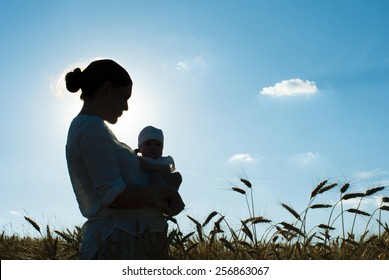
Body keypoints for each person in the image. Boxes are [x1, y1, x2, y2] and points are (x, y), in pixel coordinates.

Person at [65, 59, 185, 260]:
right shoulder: (90, 129)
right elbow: (114, 196)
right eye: (124, 97)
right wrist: (163, 192)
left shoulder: (96, 129)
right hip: (119, 244)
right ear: (106, 88)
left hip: (132, 240)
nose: (127, 107)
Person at [135, 126, 182, 191]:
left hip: (160, 188)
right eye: (148, 144)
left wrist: (149, 166)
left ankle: (166, 196)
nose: (153, 147)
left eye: (158, 145)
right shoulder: (138, 159)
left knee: (171, 177)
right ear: (140, 149)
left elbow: (171, 168)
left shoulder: (163, 160)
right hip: (143, 189)